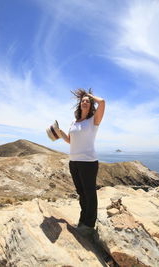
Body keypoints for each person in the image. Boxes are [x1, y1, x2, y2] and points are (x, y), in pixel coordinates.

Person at [58, 88, 105, 237]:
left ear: (90, 105)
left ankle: (89, 225)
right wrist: (59, 132)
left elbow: (102, 102)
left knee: (89, 193)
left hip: (88, 162)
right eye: (82, 101)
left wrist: (89, 95)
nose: (85, 102)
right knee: (81, 193)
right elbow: (70, 140)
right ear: (79, 105)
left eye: (87, 101)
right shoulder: (74, 121)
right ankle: (83, 220)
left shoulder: (93, 121)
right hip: (74, 162)